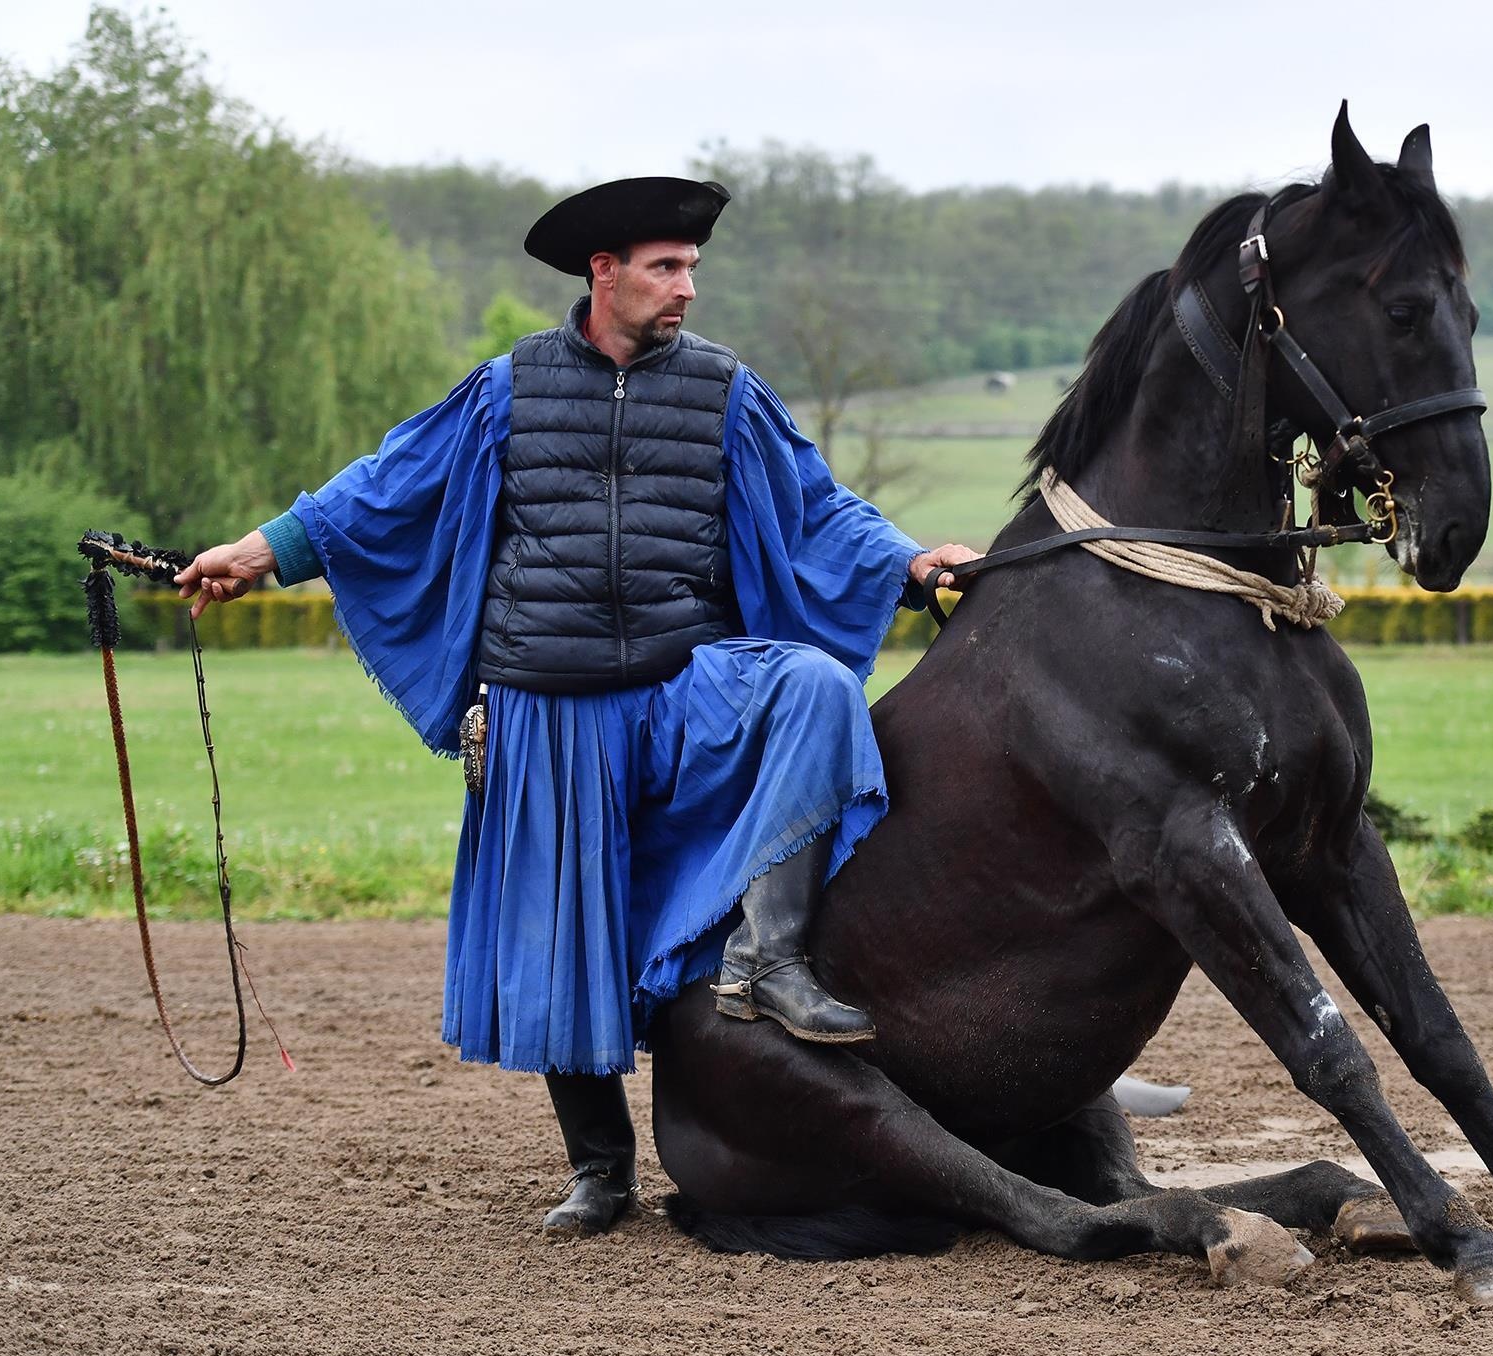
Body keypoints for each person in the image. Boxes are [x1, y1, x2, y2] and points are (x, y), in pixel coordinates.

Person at [175, 176, 978, 1237]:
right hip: (544, 708)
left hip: (685, 686)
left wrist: (912, 562)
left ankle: (768, 962)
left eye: (691, 268)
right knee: (563, 939)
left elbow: (818, 507)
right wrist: (254, 554)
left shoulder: (725, 391)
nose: (686, 286)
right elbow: (377, 490)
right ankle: (600, 1169)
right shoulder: (507, 389)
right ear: (603, 272)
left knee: (813, 688)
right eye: (665, 267)